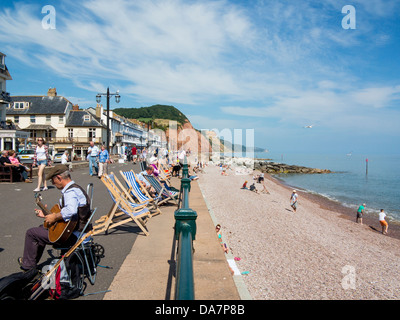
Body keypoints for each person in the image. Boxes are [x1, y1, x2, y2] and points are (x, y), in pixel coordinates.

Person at [18, 165, 92, 271]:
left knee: (31, 233)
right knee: (42, 227)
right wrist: (46, 215)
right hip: (80, 231)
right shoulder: (75, 188)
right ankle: (30, 260)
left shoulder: (70, 192)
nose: (53, 183)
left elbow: (71, 210)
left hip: (74, 236)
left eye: (53, 180)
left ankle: (28, 266)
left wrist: (55, 216)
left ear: (59, 178)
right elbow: (68, 213)